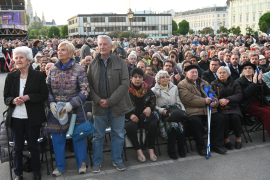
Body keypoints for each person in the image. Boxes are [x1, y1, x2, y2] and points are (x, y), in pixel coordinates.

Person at [87, 35, 133, 173]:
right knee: (98, 136)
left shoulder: (121, 62)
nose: (102, 47)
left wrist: (110, 101)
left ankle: (117, 159)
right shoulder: (93, 64)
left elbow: (125, 84)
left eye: (105, 44)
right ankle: (97, 161)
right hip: (99, 106)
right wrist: (98, 100)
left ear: (111, 46)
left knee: (118, 134)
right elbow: (88, 85)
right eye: (100, 44)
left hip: (117, 105)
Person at [4, 46, 48, 180]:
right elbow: (6, 97)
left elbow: (44, 95)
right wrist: (13, 100)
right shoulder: (11, 76)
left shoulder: (39, 75)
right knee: (17, 148)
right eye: (16, 58)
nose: (18, 60)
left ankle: (36, 171)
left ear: (29, 60)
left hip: (32, 117)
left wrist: (28, 97)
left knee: (34, 146)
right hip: (16, 118)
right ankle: (18, 173)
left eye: (21, 57)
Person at [46, 41, 90, 176]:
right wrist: (51, 102)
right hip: (56, 111)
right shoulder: (53, 69)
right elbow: (46, 88)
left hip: (74, 110)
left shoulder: (79, 69)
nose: (59, 52)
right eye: (59, 49)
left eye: (63, 50)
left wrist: (72, 104)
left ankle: (82, 162)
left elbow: (85, 90)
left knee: (78, 137)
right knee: (57, 139)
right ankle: (60, 166)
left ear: (71, 53)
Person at [178, 65, 227, 156]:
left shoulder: (204, 82)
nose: (195, 74)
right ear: (186, 73)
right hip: (193, 110)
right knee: (195, 121)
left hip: (208, 109)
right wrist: (204, 101)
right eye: (192, 72)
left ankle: (216, 145)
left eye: (196, 72)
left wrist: (214, 102)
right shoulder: (182, 84)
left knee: (220, 118)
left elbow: (213, 95)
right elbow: (188, 99)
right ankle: (201, 146)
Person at [125, 68, 158, 162]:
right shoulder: (125, 90)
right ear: (131, 78)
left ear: (143, 78)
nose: (138, 79)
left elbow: (153, 102)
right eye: (135, 77)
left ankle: (150, 148)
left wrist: (149, 108)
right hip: (132, 118)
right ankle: (138, 149)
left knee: (153, 124)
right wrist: (130, 115)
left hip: (144, 118)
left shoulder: (146, 89)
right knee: (130, 126)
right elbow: (121, 105)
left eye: (140, 77)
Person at [152, 70, 186, 159]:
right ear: (158, 80)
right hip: (164, 112)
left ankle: (181, 149)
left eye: (167, 77)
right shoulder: (154, 90)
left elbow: (178, 101)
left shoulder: (174, 87)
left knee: (181, 126)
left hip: (175, 110)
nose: (165, 79)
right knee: (173, 127)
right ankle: (171, 150)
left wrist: (183, 111)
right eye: (162, 77)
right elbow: (154, 106)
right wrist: (162, 110)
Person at [211, 66, 243, 150]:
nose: (222, 74)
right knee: (224, 118)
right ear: (217, 74)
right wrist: (219, 100)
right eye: (220, 73)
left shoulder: (235, 83)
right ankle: (226, 139)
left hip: (233, 107)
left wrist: (228, 99)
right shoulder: (213, 84)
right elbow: (212, 96)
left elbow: (239, 95)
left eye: (224, 72)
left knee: (235, 117)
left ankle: (238, 138)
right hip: (221, 108)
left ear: (228, 74)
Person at [236, 61, 270, 137]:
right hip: (248, 104)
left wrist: (261, 82)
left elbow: (267, 92)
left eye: (250, 68)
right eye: (245, 68)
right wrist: (254, 84)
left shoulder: (257, 79)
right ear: (242, 71)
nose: (248, 70)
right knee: (267, 114)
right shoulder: (239, 82)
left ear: (253, 71)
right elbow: (244, 95)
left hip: (260, 102)